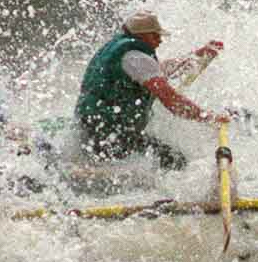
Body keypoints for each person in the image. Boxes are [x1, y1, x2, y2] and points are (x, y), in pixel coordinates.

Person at [74, 10, 228, 169]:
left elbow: (158, 71)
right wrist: (208, 118)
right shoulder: (136, 57)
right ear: (142, 35)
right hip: (111, 133)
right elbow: (172, 100)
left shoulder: (120, 50)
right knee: (176, 161)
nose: (160, 41)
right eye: (155, 36)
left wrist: (196, 56)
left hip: (93, 126)